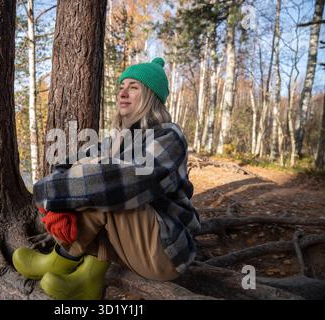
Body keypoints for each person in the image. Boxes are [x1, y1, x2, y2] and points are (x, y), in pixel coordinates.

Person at [12, 57, 201, 300]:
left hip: (165, 253)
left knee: (108, 185)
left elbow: (130, 182)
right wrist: (58, 196)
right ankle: (87, 278)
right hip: (132, 246)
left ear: (152, 96)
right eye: (122, 87)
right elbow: (67, 164)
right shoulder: (116, 139)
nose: (123, 92)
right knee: (91, 171)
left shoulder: (169, 135)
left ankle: (62, 260)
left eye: (134, 87)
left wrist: (51, 195)